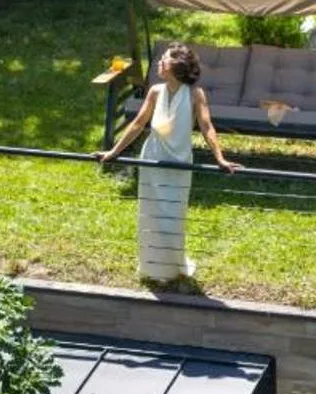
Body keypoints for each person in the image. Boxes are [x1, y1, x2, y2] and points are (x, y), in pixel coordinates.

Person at [97, 44, 238, 282]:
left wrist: (220, 158)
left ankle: (172, 268)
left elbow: (206, 126)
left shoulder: (195, 94)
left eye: (165, 59)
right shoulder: (155, 91)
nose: (160, 62)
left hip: (180, 161)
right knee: (151, 213)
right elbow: (138, 124)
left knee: (172, 215)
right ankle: (152, 268)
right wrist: (113, 151)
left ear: (177, 66)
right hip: (152, 159)